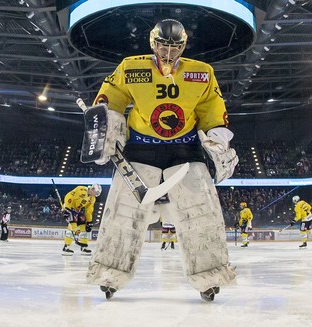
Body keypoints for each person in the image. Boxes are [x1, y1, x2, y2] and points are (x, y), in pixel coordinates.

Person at [85, 19, 238, 302]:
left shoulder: (202, 73)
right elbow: (112, 97)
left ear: (183, 46)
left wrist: (217, 138)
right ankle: (109, 274)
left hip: (185, 148)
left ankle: (210, 276)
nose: (168, 54)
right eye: (163, 46)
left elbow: (212, 108)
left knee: (201, 212)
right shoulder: (131, 67)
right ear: (152, 43)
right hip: (141, 147)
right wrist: (106, 129)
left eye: (175, 47)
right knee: (123, 212)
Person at [61, 184, 101, 256]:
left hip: (76, 210)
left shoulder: (92, 199)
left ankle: (84, 246)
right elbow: (68, 196)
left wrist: (89, 222)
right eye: (96, 192)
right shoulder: (80, 189)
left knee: (83, 225)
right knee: (73, 227)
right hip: (69, 208)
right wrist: (67, 208)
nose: (95, 195)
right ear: (92, 189)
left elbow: (89, 211)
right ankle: (66, 247)